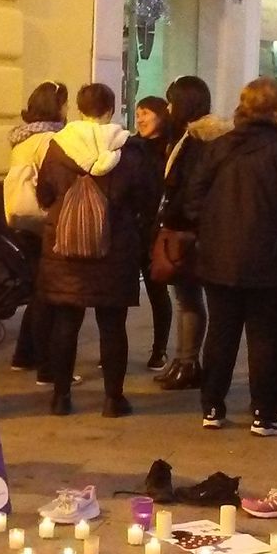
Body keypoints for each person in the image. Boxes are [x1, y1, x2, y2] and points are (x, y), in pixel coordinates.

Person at [179, 77, 277, 437]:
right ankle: (264, 413)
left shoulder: (218, 147)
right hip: (272, 262)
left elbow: (192, 202)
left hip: (219, 259)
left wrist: (212, 233)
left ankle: (212, 406)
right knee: (266, 338)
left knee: (221, 333)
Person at [35, 82, 159, 416]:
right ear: (110, 109)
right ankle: (112, 400)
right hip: (114, 248)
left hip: (65, 249)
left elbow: (44, 193)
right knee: (112, 326)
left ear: (80, 109)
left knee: (66, 323)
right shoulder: (130, 149)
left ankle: (61, 397)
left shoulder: (58, 147)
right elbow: (148, 198)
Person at [154, 76, 230, 391]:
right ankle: (184, 360)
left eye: (172, 102)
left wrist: (172, 217)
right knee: (187, 298)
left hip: (192, 231)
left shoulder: (198, 141)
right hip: (198, 228)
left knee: (189, 299)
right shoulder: (196, 137)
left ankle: (188, 363)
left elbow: (189, 189)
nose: (168, 108)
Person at [6, 81, 69, 382]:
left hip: (23, 222)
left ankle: (25, 354)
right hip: (43, 222)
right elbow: (53, 182)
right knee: (49, 296)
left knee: (38, 291)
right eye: (65, 103)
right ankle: (48, 365)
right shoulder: (49, 140)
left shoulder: (24, 138)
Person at [136, 94, 172, 372]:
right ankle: (111, 351)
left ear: (161, 116)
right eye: (138, 114)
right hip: (130, 229)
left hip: (156, 231)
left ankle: (159, 350)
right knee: (116, 295)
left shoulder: (170, 149)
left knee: (157, 292)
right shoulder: (130, 146)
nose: (140, 119)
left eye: (146, 113)